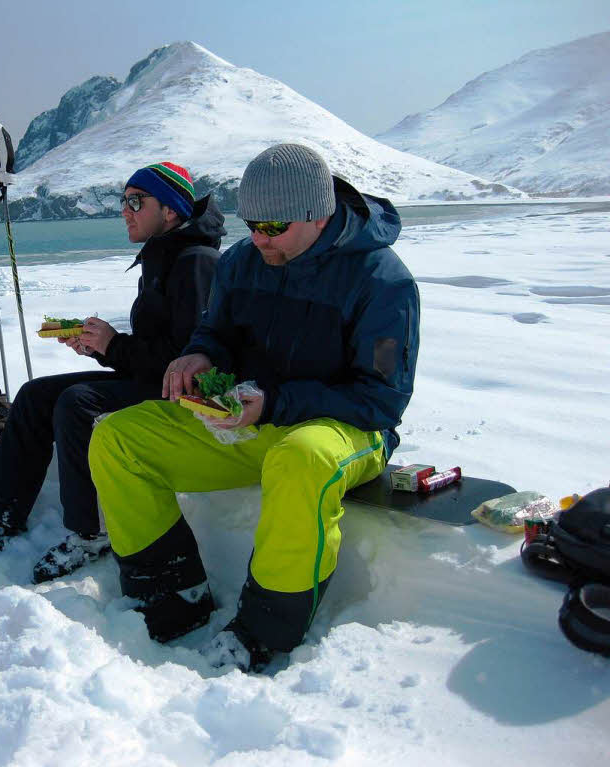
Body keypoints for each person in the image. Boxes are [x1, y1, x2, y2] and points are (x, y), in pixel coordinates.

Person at [87, 144, 420, 671]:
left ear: (317, 214)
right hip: (254, 417)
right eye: (251, 224)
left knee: (300, 458)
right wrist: (199, 355)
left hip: (347, 428)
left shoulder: (383, 282)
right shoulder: (243, 261)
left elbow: (381, 399)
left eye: (272, 227)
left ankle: (264, 632)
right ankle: (172, 596)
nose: (259, 238)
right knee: (118, 437)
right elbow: (214, 331)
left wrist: (275, 402)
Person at [0, 162, 226, 583]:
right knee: (34, 395)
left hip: (183, 399)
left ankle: (91, 532)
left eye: (137, 201)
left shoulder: (195, 262)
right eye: (124, 200)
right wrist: (100, 348)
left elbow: (186, 361)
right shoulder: (166, 254)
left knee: (76, 403)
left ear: (171, 210)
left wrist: (113, 345)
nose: (125, 210)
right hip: (151, 381)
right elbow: (155, 351)